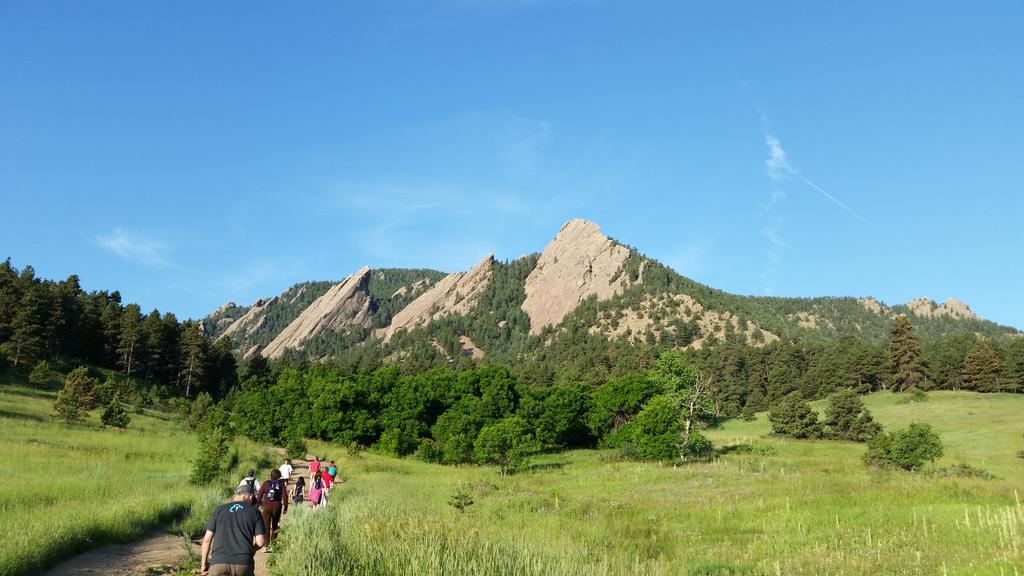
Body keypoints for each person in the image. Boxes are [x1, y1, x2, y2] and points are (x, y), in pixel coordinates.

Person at [200, 483, 266, 576]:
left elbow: (207, 540)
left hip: (218, 563)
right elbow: (261, 542)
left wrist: (204, 564)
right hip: (243, 563)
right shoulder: (254, 512)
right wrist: (252, 551)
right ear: (251, 496)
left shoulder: (219, 510)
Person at [256, 469, 288, 550]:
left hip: (266, 507)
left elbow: (259, 496)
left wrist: (256, 507)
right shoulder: (281, 484)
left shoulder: (266, 484)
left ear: (271, 475)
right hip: (277, 507)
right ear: (279, 476)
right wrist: (285, 507)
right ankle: (273, 545)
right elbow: (285, 496)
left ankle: (266, 546)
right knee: (275, 526)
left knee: (266, 526)